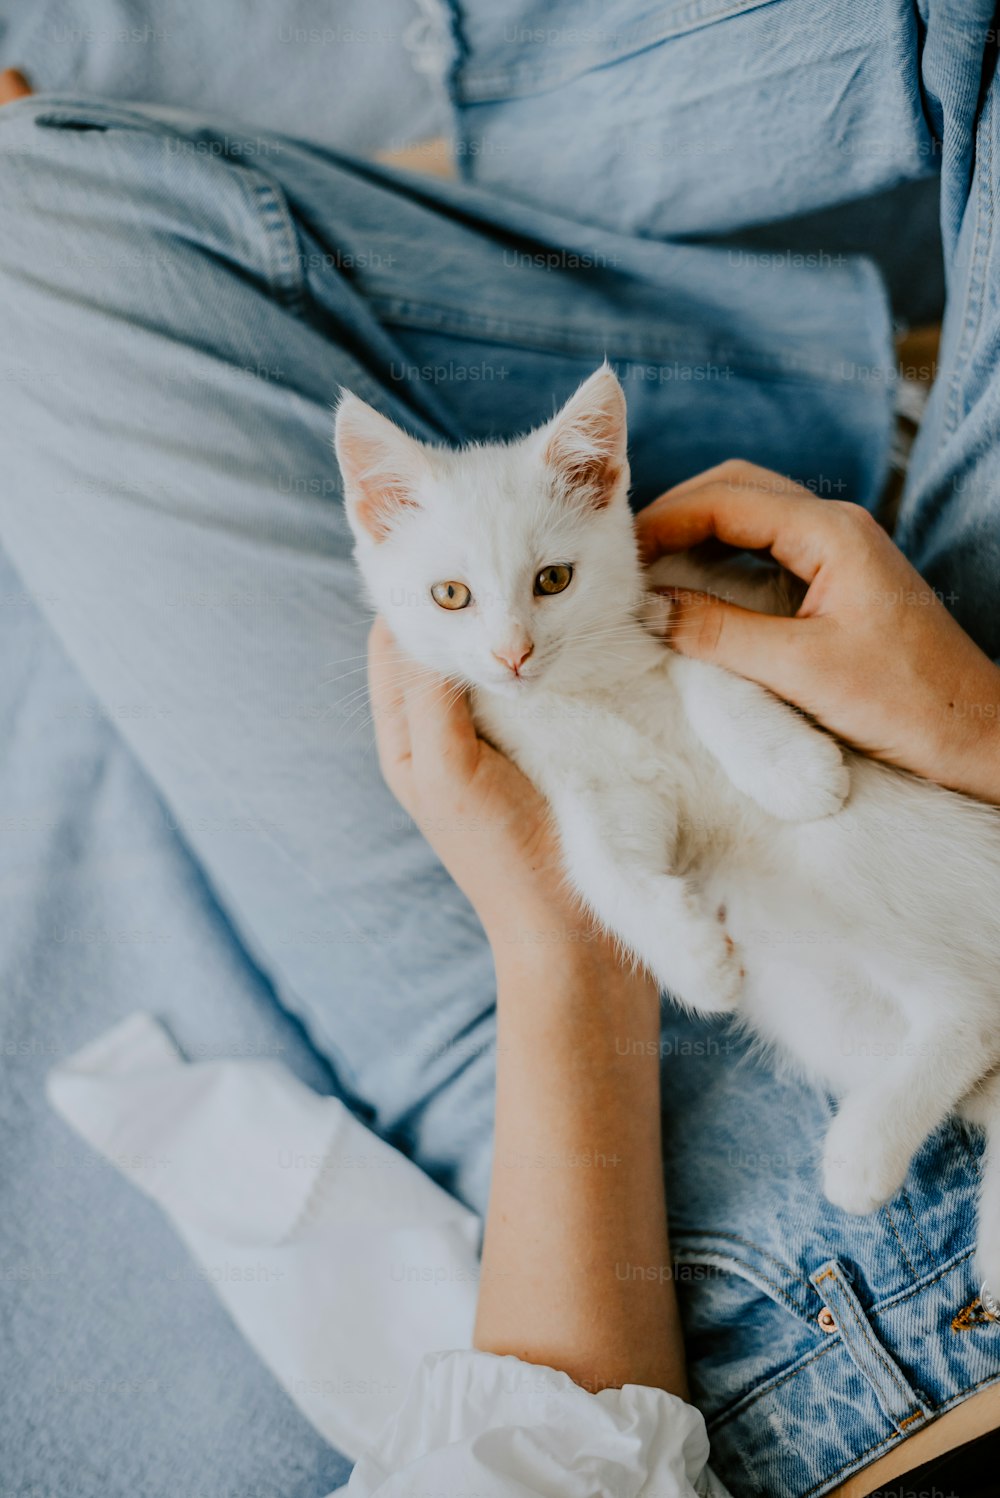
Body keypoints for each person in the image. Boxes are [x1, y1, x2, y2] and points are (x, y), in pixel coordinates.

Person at [1, 1, 999, 1490]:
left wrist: (559, 945)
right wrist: (978, 733)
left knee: (31, 217)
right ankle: (853, 398)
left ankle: (794, 367)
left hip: (598, 1203)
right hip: (912, 914)